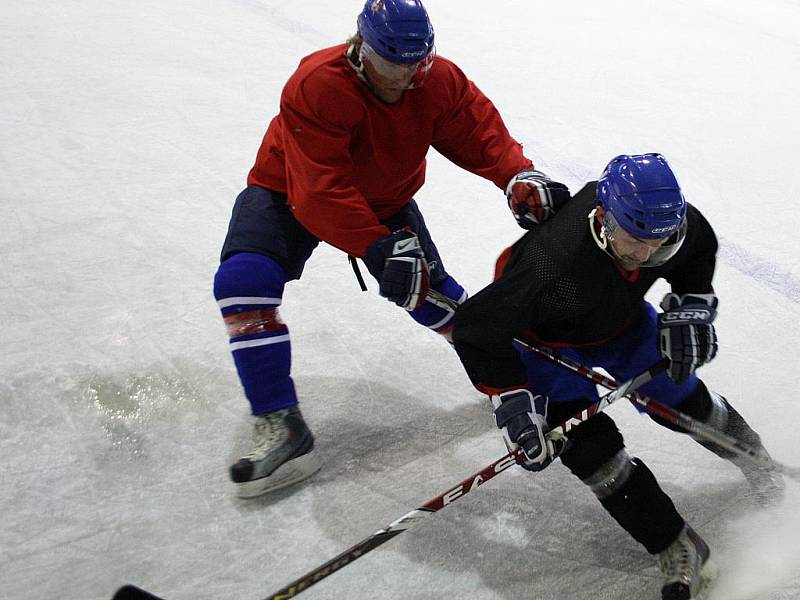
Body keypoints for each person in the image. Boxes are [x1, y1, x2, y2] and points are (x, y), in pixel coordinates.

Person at [213, 0, 570, 498]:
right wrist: (377, 247)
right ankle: (281, 423)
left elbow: (476, 129)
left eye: (417, 63)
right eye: (393, 64)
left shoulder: (435, 79)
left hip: (384, 198)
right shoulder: (317, 84)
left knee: (430, 295)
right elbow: (319, 191)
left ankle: (508, 367)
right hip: (288, 188)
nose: (406, 76)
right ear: (362, 49)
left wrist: (516, 175)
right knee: (242, 284)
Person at [452, 154, 784, 600]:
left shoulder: (669, 225)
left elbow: (697, 252)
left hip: (620, 322)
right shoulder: (552, 265)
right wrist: (512, 399)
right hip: (543, 342)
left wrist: (692, 307)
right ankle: (676, 544)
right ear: (603, 218)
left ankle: (756, 460)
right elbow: (476, 331)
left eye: (659, 243)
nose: (646, 257)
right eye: (634, 244)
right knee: (590, 451)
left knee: (680, 398)